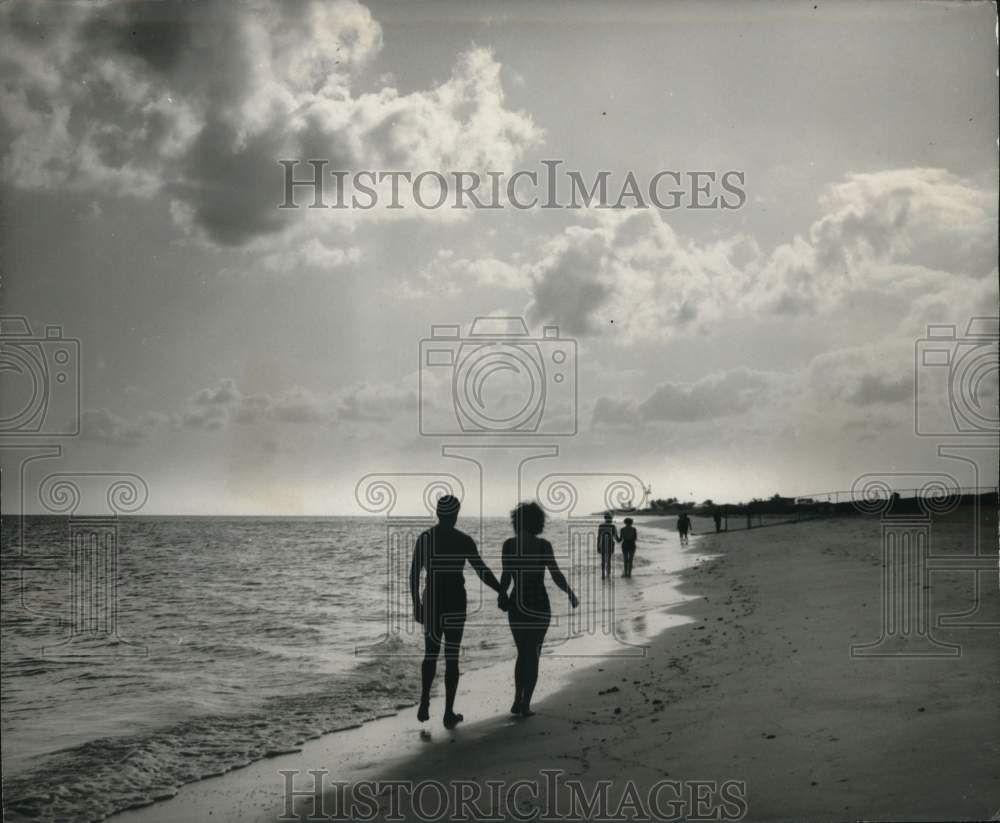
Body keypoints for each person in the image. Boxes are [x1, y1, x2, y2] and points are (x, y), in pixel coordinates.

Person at [409, 495, 504, 729]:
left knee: (430, 653)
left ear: (438, 512)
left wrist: (416, 604)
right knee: (452, 658)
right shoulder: (463, 540)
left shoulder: (425, 538)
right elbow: (482, 570)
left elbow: (413, 574)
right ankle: (448, 712)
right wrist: (502, 591)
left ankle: (424, 702)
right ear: (456, 514)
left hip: (431, 600)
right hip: (454, 601)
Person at [497, 501, 578, 717]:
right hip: (539, 605)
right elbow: (555, 574)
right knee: (533, 654)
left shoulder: (509, 545)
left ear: (517, 521)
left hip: (517, 603)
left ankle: (516, 699)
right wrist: (570, 593)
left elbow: (505, 577)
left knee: (522, 653)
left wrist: (501, 595)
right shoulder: (543, 546)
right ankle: (525, 705)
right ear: (538, 522)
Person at [597, 512, 618, 580]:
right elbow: (616, 538)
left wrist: (598, 546)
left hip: (603, 543)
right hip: (610, 543)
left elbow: (599, 537)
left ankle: (603, 574)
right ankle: (608, 574)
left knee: (603, 559)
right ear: (611, 518)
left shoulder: (601, 526)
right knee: (608, 559)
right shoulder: (613, 526)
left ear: (605, 518)